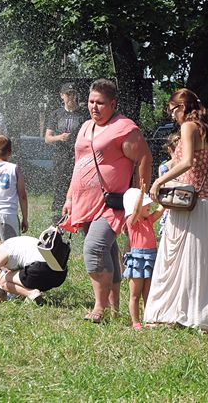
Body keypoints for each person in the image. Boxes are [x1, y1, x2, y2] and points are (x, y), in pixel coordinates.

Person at [145, 88, 208, 333]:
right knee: (203, 263)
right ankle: (204, 315)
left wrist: (159, 181)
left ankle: (168, 312)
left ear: (183, 108)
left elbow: (186, 162)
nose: (173, 116)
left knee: (176, 260)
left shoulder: (189, 127)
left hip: (188, 202)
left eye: (173, 110)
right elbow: (194, 160)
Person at [61, 78, 152, 323]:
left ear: (113, 104)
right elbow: (78, 165)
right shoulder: (85, 127)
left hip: (111, 204)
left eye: (100, 103)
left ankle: (98, 307)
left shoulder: (125, 128)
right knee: (108, 252)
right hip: (84, 201)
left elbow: (144, 158)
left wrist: (139, 199)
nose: (94, 107)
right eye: (91, 102)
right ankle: (115, 310)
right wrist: (70, 198)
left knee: (94, 249)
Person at [0, 232, 64, 305]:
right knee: (5, 279)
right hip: (59, 274)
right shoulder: (10, 244)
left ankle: (32, 293)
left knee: (4, 282)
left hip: (41, 269)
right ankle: (33, 295)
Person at [44, 83, 88, 219]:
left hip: (79, 157)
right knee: (60, 186)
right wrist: (60, 137)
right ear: (62, 96)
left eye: (73, 94)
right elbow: (47, 138)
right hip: (61, 157)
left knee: (79, 187)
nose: (71, 97)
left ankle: (79, 215)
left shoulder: (84, 114)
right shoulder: (56, 114)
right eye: (68, 94)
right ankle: (57, 217)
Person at [122, 187, 161, 331]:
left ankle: (148, 318)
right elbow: (137, 211)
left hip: (151, 258)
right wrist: (140, 196)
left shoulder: (149, 220)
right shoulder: (132, 222)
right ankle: (135, 322)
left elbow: (161, 209)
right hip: (137, 259)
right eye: (147, 203)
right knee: (135, 294)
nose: (150, 206)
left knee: (148, 294)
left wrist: (164, 192)